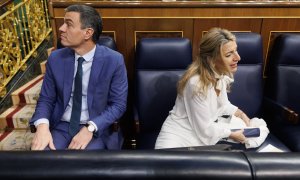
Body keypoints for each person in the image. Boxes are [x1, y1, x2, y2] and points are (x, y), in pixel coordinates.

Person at [30, 5, 128, 150]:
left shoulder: (114, 60)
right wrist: (42, 126)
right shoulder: (56, 58)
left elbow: (118, 105)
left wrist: (90, 128)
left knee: (80, 165)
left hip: (96, 128)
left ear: (88, 33)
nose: (61, 28)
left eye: (68, 24)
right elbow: (46, 98)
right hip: (62, 126)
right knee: (42, 158)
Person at [155, 27, 251, 149]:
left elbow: (222, 105)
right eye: (229, 54)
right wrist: (231, 134)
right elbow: (205, 128)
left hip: (201, 136)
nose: (238, 58)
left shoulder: (219, 76)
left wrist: (240, 113)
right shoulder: (196, 84)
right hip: (179, 137)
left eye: (236, 51)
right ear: (211, 60)